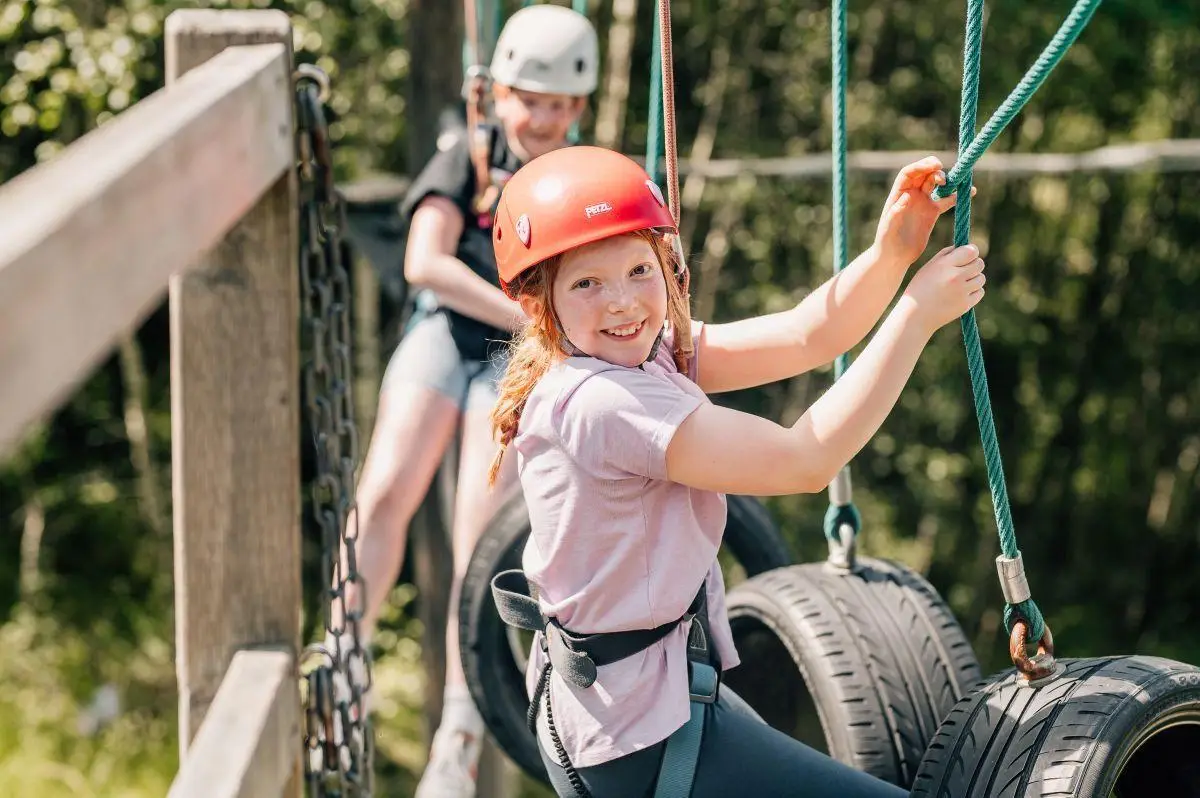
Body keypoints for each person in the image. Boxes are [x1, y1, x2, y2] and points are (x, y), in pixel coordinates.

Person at [485, 146, 984, 797]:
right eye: (587, 284)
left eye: (639, 270)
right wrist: (916, 316)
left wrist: (893, 252)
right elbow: (805, 459)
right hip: (639, 736)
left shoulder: (642, 354)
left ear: (668, 267)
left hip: (640, 704)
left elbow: (809, 335)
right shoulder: (603, 402)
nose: (623, 302)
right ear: (538, 304)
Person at [326, 6, 600, 797]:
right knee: (388, 487)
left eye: (558, 106)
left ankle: (459, 728)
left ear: (578, 107)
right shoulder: (470, 152)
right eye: (529, 102)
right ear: (498, 93)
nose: (542, 120)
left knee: (478, 532)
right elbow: (425, 262)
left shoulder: (577, 179)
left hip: (513, 359)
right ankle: (344, 656)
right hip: (449, 331)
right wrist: (523, 314)